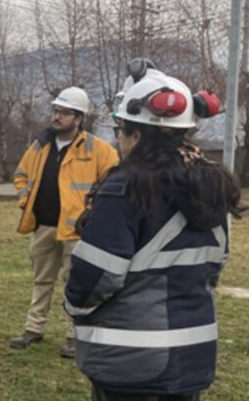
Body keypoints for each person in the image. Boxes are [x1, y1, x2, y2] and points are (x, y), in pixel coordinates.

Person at [64, 70, 242, 401]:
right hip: (191, 357)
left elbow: (94, 277)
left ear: (135, 135)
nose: (119, 140)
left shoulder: (125, 189)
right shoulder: (214, 188)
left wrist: (72, 305)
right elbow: (215, 265)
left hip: (129, 360)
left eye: (120, 131)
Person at [10, 87, 119, 358]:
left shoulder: (99, 150)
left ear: (79, 118)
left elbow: (113, 183)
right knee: (41, 280)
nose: (57, 117)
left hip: (77, 232)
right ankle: (33, 329)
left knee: (76, 283)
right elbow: (21, 175)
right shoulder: (40, 145)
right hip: (44, 226)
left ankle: (75, 336)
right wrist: (26, 202)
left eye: (63, 112)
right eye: (55, 111)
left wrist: (92, 214)